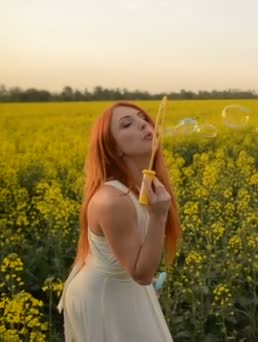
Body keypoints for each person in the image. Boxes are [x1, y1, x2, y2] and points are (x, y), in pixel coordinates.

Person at [56, 102, 181, 341]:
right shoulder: (112, 200)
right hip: (102, 296)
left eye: (142, 118)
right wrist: (158, 215)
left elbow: (133, 258)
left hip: (126, 285)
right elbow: (140, 273)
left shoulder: (137, 187)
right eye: (127, 124)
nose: (143, 124)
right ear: (114, 149)